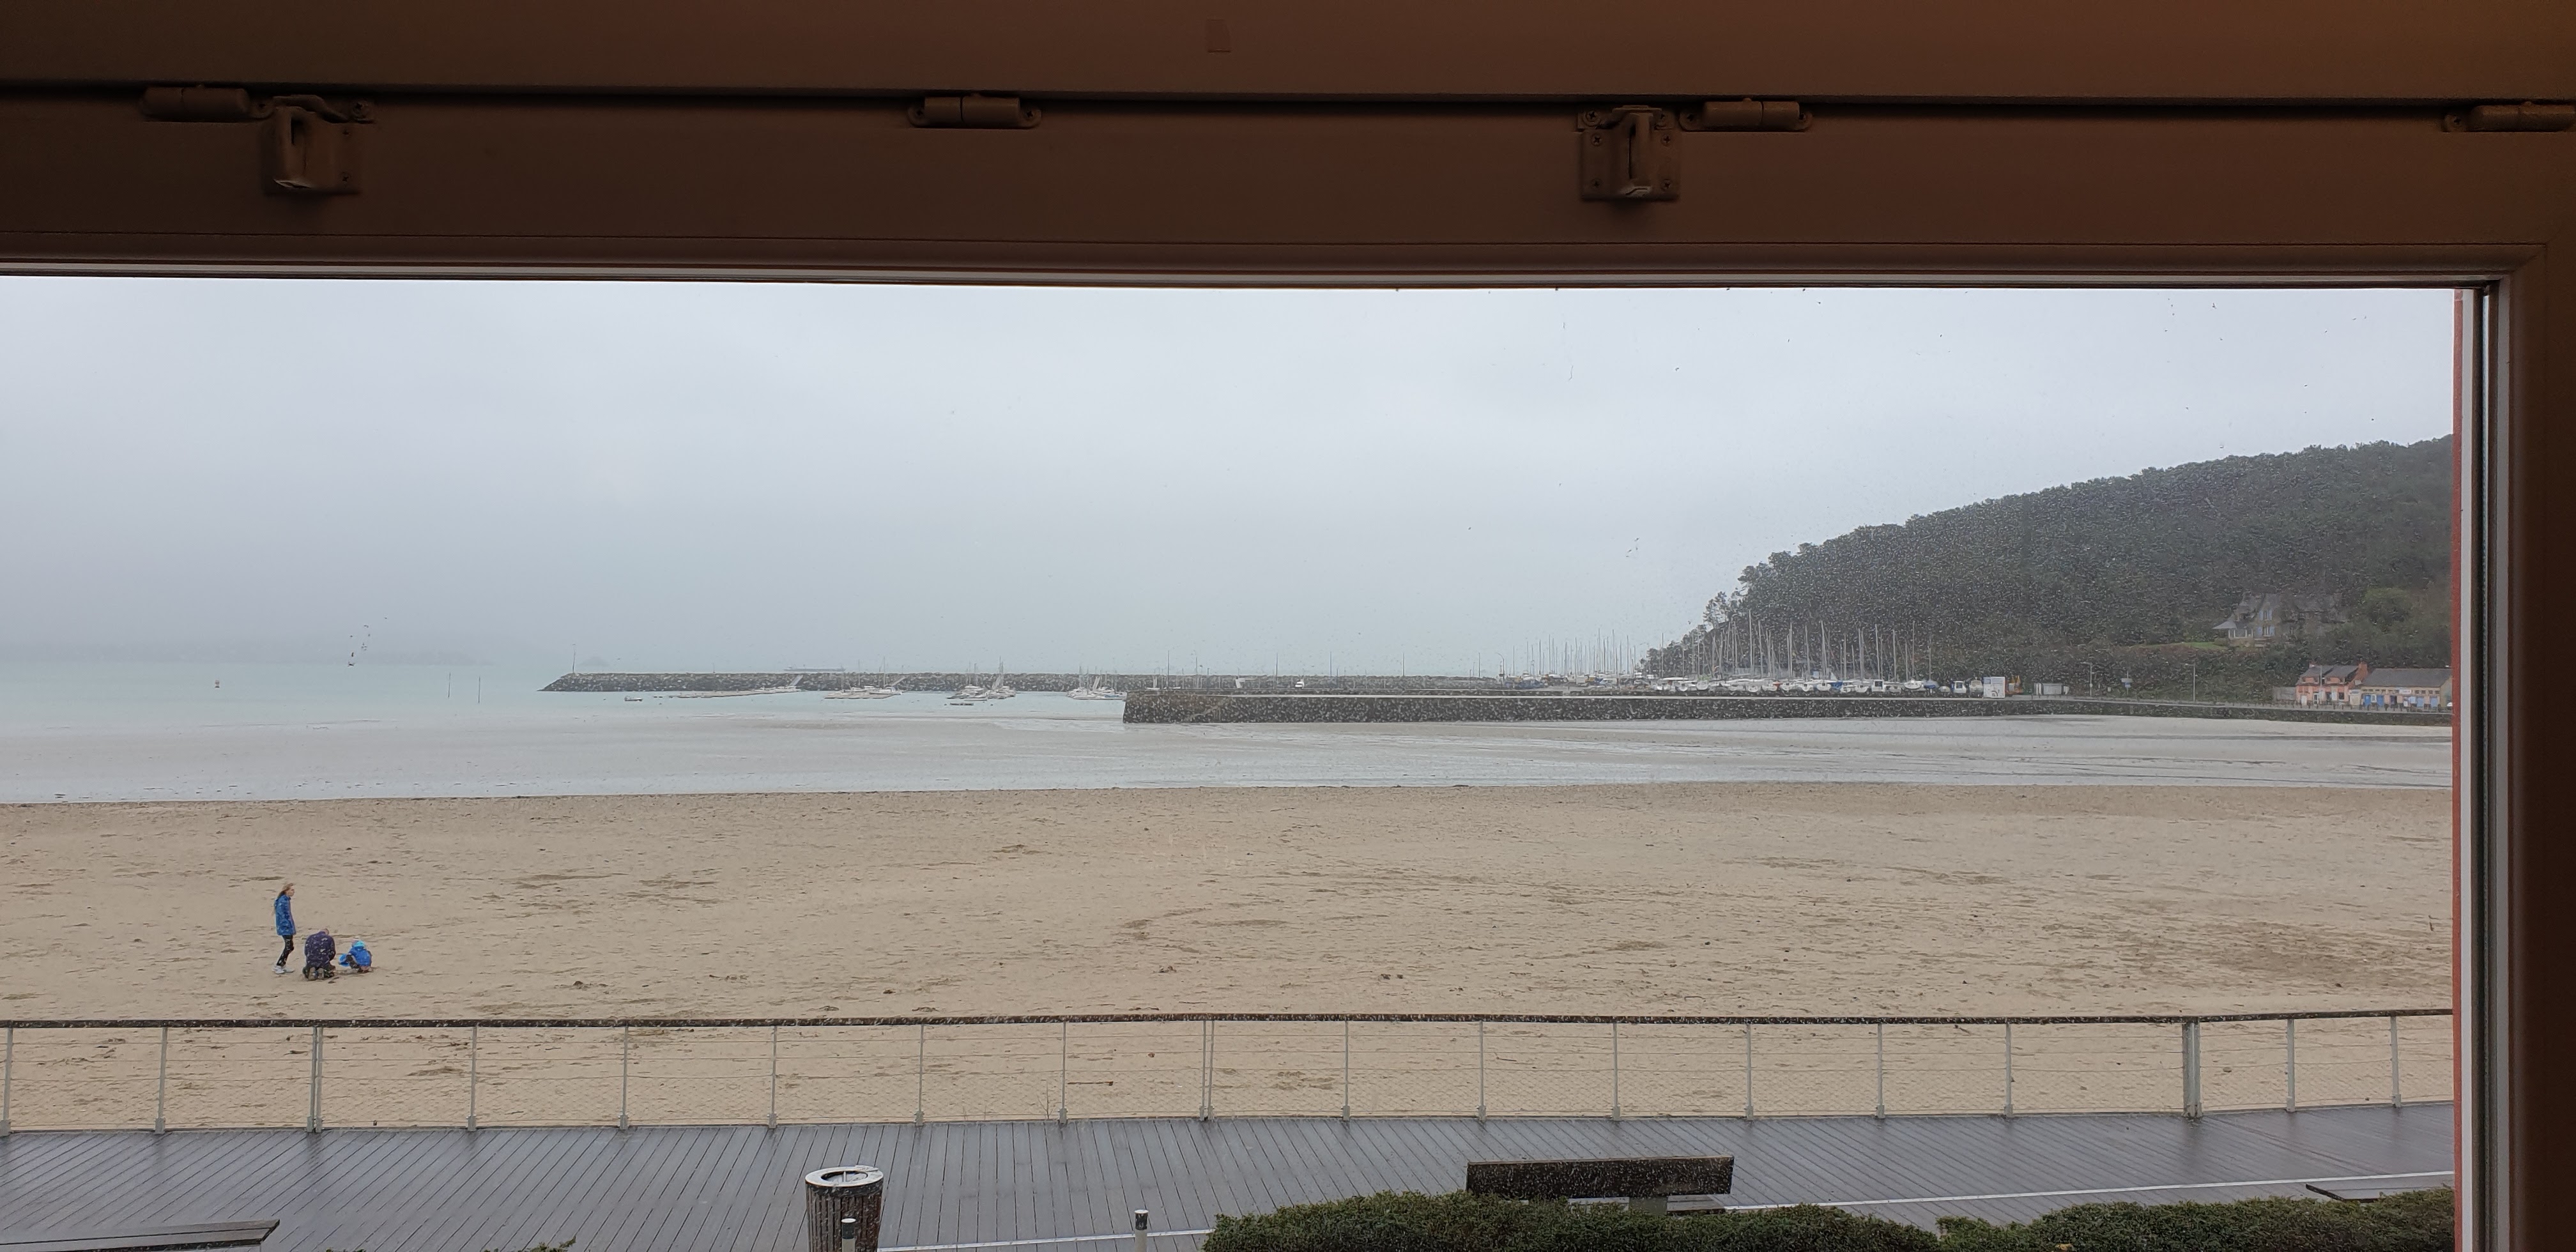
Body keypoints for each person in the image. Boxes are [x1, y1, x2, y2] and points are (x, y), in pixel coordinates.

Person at [272, 882, 296, 975]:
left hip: (288, 927)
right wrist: (286, 925)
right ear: (286, 891)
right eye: (292, 890)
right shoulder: (283, 901)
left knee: (290, 947)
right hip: (285, 927)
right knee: (289, 946)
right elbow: (282, 915)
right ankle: (278, 965)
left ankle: (282, 964)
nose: (293, 892)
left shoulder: (286, 900)